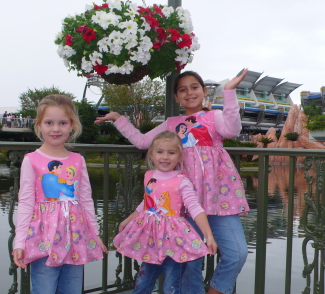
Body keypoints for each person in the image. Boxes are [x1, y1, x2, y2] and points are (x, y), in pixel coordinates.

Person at [95, 69, 250, 294]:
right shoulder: (171, 123)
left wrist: (229, 92)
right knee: (189, 264)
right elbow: (142, 141)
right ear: (177, 97)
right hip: (184, 205)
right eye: (182, 89)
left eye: (194, 87)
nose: (189, 93)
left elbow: (233, 129)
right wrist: (119, 119)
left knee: (237, 253)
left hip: (219, 199)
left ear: (204, 91)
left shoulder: (213, 117)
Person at [13, 94, 107, 294]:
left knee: (72, 289)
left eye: (62, 123)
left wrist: (95, 233)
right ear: (39, 125)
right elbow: (26, 203)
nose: (56, 129)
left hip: (76, 238)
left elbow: (86, 200)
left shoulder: (78, 160)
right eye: (49, 122)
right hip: (43, 240)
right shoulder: (31, 160)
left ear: (71, 125)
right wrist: (19, 241)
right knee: (44, 288)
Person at [113, 130, 218, 294]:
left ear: (180, 157)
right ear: (151, 155)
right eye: (160, 152)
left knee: (171, 284)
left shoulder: (181, 180)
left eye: (171, 152)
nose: (165, 157)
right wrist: (128, 220)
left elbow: (194, 207)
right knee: (143, 279)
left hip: (173, 241)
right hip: (150, 239)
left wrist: (209, 235)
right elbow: (146, 203)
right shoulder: (149, 176)